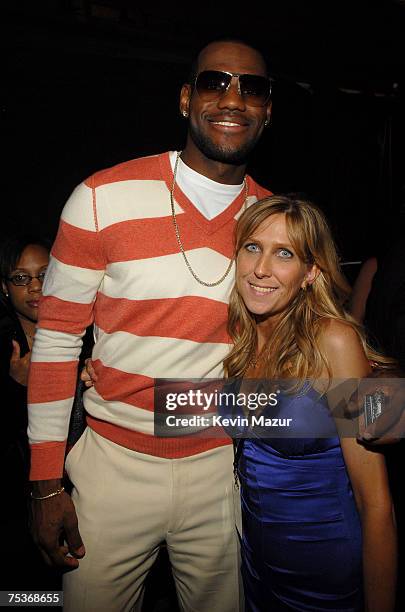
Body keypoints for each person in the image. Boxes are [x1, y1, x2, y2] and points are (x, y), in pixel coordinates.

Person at [27, 39, 272, 611]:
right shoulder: (100, 197)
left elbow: (308, 351)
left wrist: (377, 408)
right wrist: (44, 484)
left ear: (267, 110)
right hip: (111, 469)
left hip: (222, 475)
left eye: (252, 88)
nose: (232, 99)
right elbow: (58, 341)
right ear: (187, 99)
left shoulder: (275, 223)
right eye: (215, 82)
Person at [222, 195, 397, 611]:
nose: (261, 269)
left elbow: (376, 505)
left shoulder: (334, 340)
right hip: (255, 568)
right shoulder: (239, 340)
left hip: (324, 575)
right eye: (252, 247)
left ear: (311, 272)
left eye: (284, 253)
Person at [0, 234, 60, 590]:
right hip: (14, 503)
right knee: (23, 595)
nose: (35, 287)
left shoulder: (87, 335)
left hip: (75, 491)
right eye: (21, 278)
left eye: (44, 275)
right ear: (5, 288)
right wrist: (16, 387)